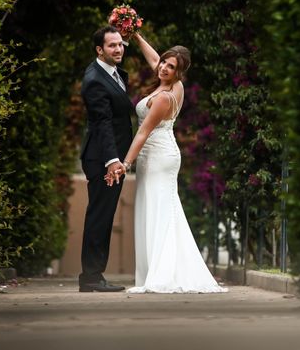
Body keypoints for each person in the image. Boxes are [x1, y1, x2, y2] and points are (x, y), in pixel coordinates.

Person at [107, 31, 227, 294]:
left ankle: (162, 273)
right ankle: (164, 268)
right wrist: (136, 34)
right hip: (161, 154)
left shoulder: (163, 97)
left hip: (158, 157)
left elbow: (143, 132)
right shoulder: (173, 85)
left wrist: (125, 163)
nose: (162, 67)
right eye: (163, 62)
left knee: (158, 210)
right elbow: (153, 59)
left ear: (178, 73)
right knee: (163, 209)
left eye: (170, 66)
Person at [78, 26, 133, 292]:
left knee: (104, 214)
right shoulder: (94, 80)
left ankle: (92, 276)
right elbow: (102, 123)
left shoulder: (114, 73)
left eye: (121, 44)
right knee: (100, 215)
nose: (118, 49)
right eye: (112, 45)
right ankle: (91, 277)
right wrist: (112, 160)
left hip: (110, 156)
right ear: (99, 50)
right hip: (102, 158)